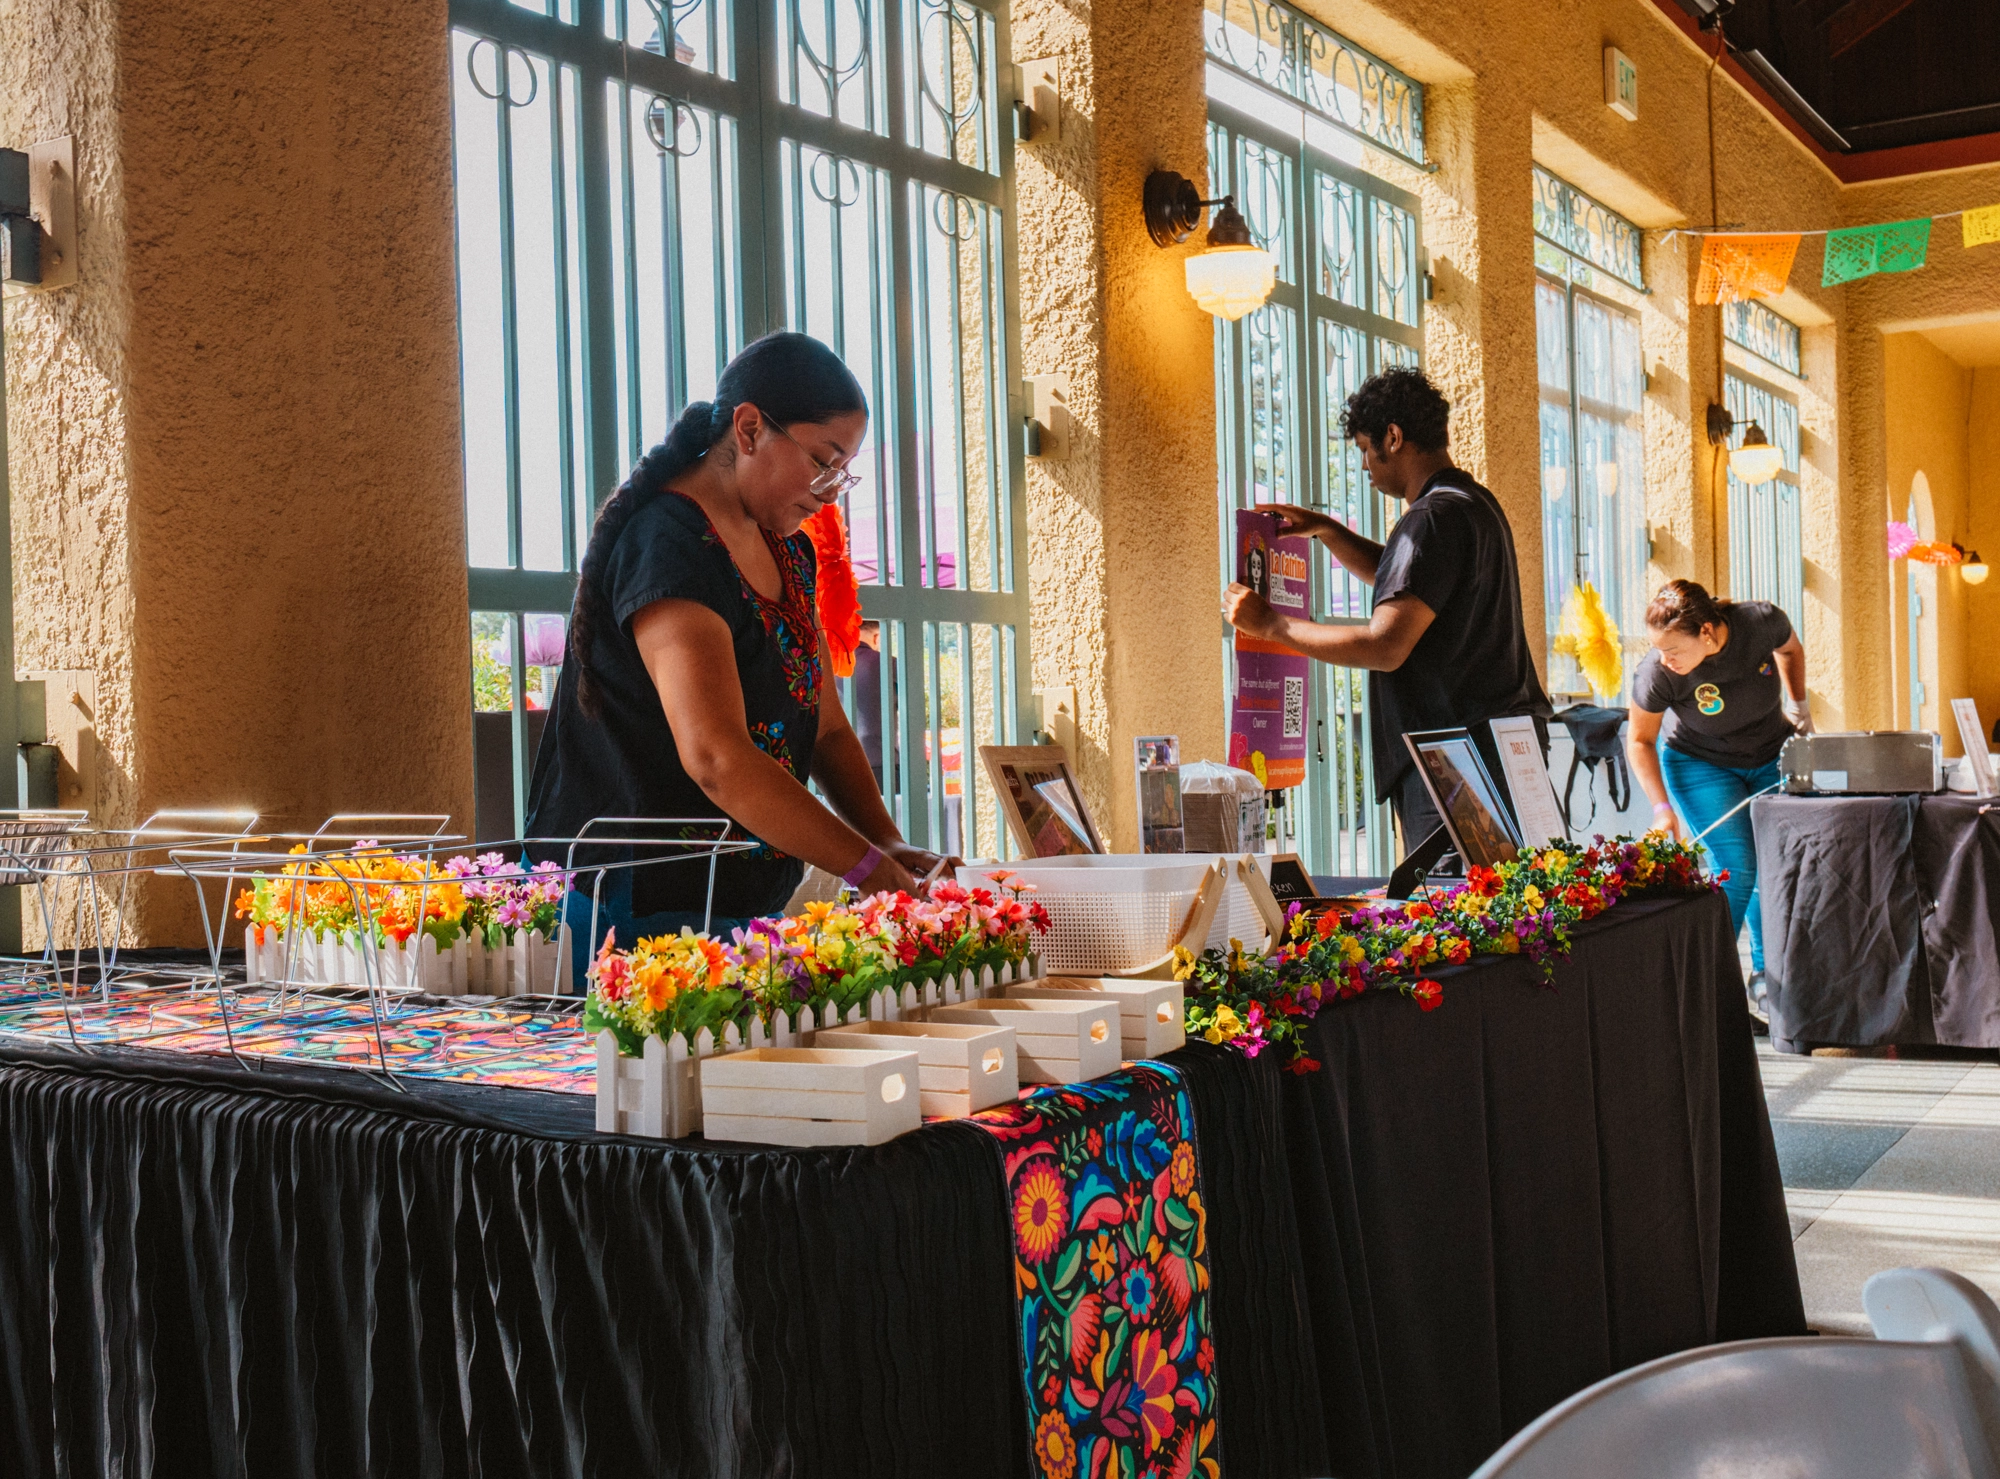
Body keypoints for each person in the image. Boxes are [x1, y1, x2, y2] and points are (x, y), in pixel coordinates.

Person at [527, 332, 954, 980]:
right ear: (750, 428)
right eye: (823, 460)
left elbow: (829, 727)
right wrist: (865, 867)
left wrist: (885, 840)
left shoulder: (791, 553)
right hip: (635, 909)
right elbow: (717, 759)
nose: (833, 490)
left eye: (845, 470)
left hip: (732, 903)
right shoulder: (670, 546)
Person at [1222, 365, 1552, 855]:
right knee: (1518, 911)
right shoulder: (1473, 504)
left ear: (1393, 437)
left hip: (1458, 761)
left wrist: (1271, 624)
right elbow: (1412, 582)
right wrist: (1329, 531)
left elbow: (1385, 644)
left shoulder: (1430, 519)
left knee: (1464, 918)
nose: (1362, 467)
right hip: (1502, 742)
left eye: (1363, 449)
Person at [1627, 578, 1809, 1017]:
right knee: (1738, 865)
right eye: (1658, 650)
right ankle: (1705, 986)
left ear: (1707, 633)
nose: (1665, 659)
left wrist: (1800, 706)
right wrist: (1660, 809)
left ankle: (1769, 981)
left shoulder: (1760, 622)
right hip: (1700, 764)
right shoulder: (1658, 673)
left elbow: (1791, 651)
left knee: (1774, 865)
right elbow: (1639, 741)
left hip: (1770, 754)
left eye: (1673, 649)